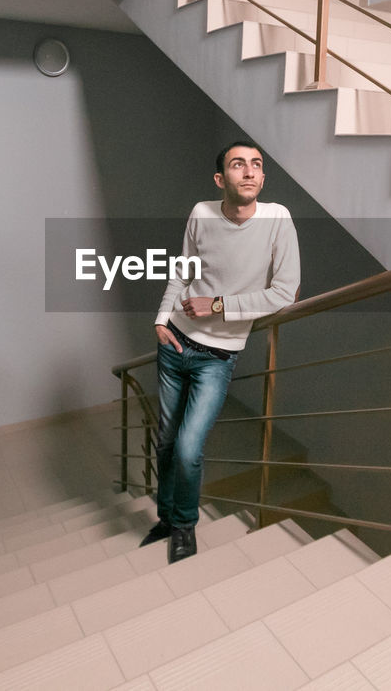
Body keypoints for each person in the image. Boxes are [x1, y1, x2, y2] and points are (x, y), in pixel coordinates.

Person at [142, 140, 300, 563]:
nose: (249, 172)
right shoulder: (201, 212)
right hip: (175, 343)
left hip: (218, 355)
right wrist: (161, 318)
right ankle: (166, 517)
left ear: (262, 178)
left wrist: (218, 306)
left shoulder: (278, 219)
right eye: (237, 165)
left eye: (256, 165)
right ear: (221, 179)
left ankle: (184, 527)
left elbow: (284, 291)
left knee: (189, 447)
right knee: (167, 441)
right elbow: (184, 268)